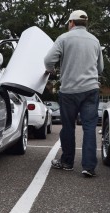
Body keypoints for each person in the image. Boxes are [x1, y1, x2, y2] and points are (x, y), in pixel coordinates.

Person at [44, 10, 104, 177]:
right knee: (90, 128)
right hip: (90, 90)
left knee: (68, 127)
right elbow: (100, 68)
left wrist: (52, 70)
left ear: (71, 23)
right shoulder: (95, 41)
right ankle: (89, 167)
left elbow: (48, 60)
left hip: (69, 90)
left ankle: (67, 162)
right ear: (85, 23)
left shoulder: (64, 38)